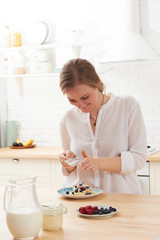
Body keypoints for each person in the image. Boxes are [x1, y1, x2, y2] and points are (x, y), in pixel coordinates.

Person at [59, 58, 147, 194]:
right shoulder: (68, 118)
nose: (80, 105)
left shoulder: (127, 106)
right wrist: (67, 163)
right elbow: (70, 168)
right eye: (72, 100)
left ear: (97, 84)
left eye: (85, 97)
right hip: (82, 202)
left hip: (123, 198)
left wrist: (98, 163)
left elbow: (139, 158)